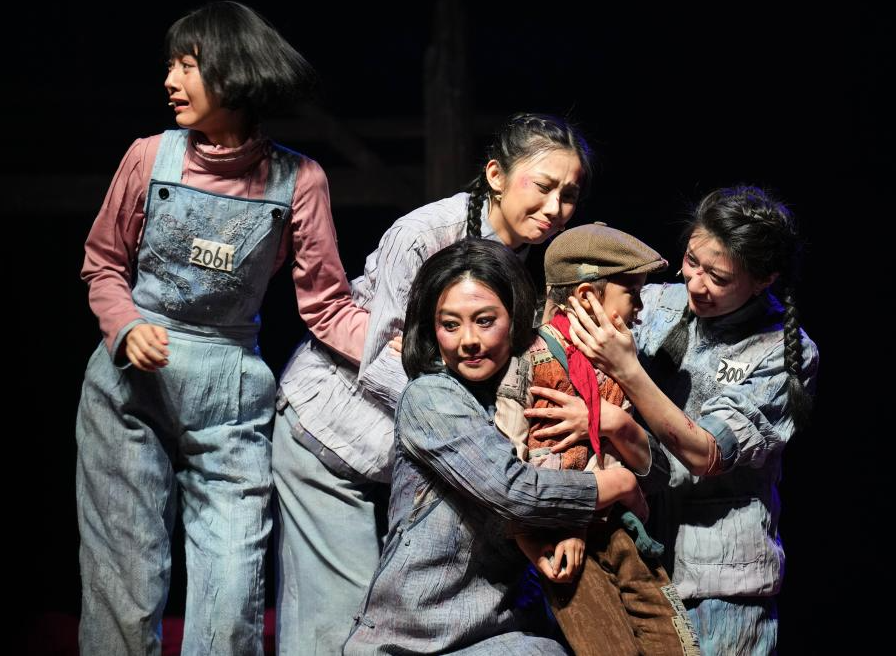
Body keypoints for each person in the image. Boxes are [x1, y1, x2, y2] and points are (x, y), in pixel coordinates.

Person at [75, 2, 367, 656]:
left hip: (230, 394)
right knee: (123, 581)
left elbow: (327, 305)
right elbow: (103, 264)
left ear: (234, 72)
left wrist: (399, 351)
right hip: (130, 388)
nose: (170, 81)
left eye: (188, 66)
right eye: (170, 66)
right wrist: (126, 327)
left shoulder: (299, 180)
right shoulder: (149, 157)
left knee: (232, 590)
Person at [272, 113, 591, 654]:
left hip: (414, 457)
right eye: (542, 186)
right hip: (330, 431)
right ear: (496, 175)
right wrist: (473, 424)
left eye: (569, 194)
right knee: (336, 625)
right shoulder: (424, 235)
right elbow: (380, 358)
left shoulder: (534, 262)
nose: (555, 207)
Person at [343, 238, 648, 654]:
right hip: (416, 638)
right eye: (450, 325)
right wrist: (616, 485)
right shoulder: (431, 397)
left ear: (516, 317)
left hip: (503, 626)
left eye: (485, 321)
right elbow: (515, 491)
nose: (468, 340)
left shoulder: (527, 391)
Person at [563, 186, 819, 655]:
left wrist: (628, 372)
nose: (696, 283)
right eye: (691, 261)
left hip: (717, 582)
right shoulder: (653, 303)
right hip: (629, 557)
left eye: (718, 277)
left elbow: (706, 453)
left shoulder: (784, 352)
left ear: (763, 280)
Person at [494, 222, 699, 656]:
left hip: (619, 528)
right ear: (587, 296)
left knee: (676, 644)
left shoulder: (617, 361)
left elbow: (650, 467)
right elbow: (508, 461)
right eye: (632, 293)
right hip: (559, 540)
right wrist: (554, 526)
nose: (640, 308)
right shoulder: (527, 358)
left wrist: (619, 451)